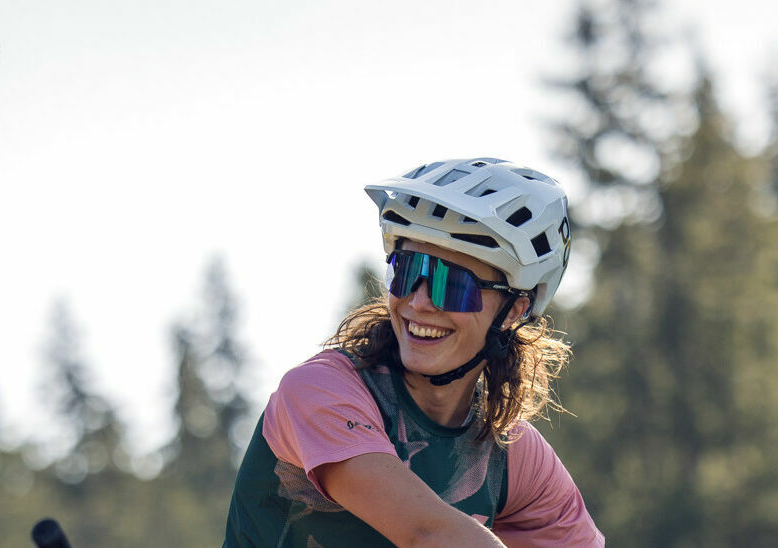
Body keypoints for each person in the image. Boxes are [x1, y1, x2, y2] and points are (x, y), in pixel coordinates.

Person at [225, 158, 604, 547]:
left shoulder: (510, 454)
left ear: (514, 311)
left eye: (452, 284)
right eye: (406, 270)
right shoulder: (319, 391)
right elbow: (426, 535)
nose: (419, 302)